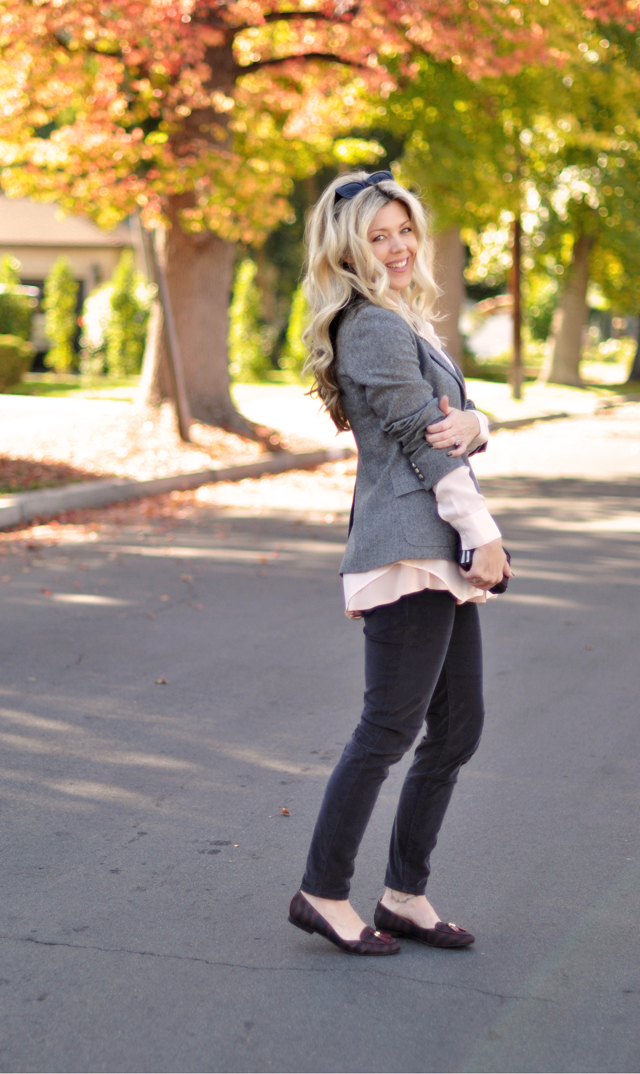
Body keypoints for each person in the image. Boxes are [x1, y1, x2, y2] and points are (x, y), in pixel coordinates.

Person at [287, 170, 513, 957]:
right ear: (348, 249)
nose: (396, 247)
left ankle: (403, 894)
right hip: (413, 549)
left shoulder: (403, 322)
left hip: (433, 550)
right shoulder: (373, 326)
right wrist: (484, 535)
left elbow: (451, 424)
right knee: (389, 729)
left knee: (455, 729)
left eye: (403, 231)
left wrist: (478, 421)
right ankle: (322, 891)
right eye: (376, 237)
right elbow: (426, 446)